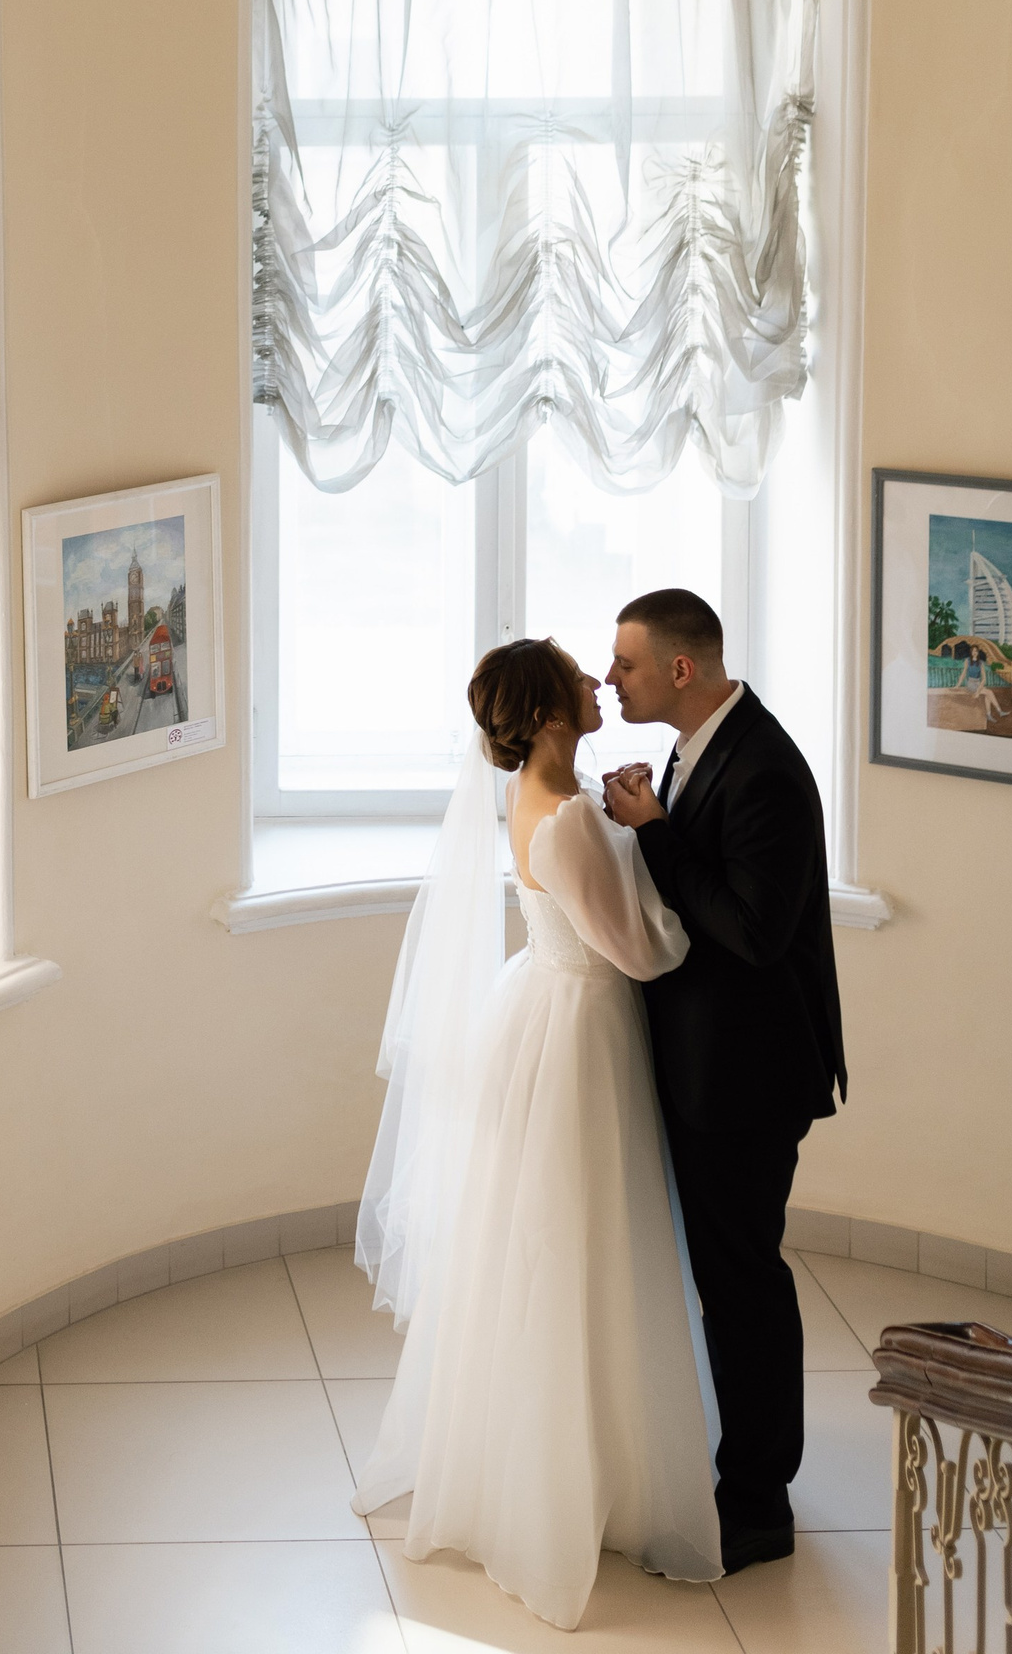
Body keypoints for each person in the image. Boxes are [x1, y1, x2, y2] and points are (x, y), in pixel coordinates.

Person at [350, 637, 721, 1631]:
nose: (599, 683)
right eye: (579, 678)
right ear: (552, 714)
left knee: (551, 1240)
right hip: (582, 1030)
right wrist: (662, 851)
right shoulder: (564, 818)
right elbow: (642, 952)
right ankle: (579, 1480)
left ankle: (561, 1461)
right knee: (579, 1242)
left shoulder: (551, 798)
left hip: (549, 1011)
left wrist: (625, 819)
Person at [603, 589, 847, 1576]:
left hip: (749, 1081)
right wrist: (653, 820)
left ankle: (757, 1502)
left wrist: (656, 833)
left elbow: (752, 931)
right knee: (723, 1280)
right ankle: (732, 1459)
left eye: (625, 663)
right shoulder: (694, 746)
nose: (611, 679)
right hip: (708, 1066)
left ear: (680, 670)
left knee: (744, 1285)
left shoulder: (767, 771)